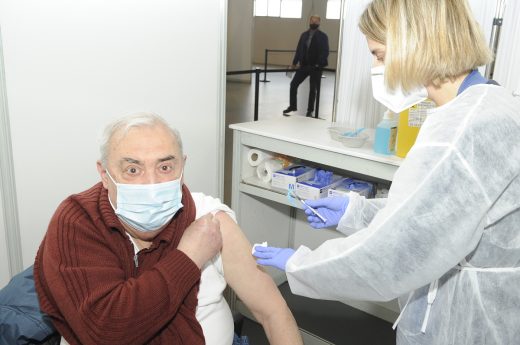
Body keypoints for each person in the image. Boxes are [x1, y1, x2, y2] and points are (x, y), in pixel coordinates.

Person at [254, 0, 520, 344]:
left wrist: (299, 263)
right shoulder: (491, 104)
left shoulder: (457, 132)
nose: (377, 67)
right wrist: (358, 211)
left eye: (379, 54)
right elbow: (438, 213)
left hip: (467, 325)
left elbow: (394, 254)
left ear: (417, 44)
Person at [31, 112, 302, 345]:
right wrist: (188, 257)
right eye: (132, 170)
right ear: (104, 175)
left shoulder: (209, 221)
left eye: (165, 166)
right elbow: (106, 332)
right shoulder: (79, 221)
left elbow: (274, 312)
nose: (151, 184)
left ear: (182, 167)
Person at [283, 15, 329, 118]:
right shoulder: (304, 35)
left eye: (316, 21)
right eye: (312, 21)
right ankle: (292, 106)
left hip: (316, 67)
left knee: (313, 89)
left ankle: (310, 111)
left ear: (319, 23)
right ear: (309, 21)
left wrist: (319, 64)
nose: (314, 23)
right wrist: (294, 63)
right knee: (293, 84)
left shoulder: (323, 36)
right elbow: (299, 49)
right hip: (303, 66)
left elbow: (325, 52)